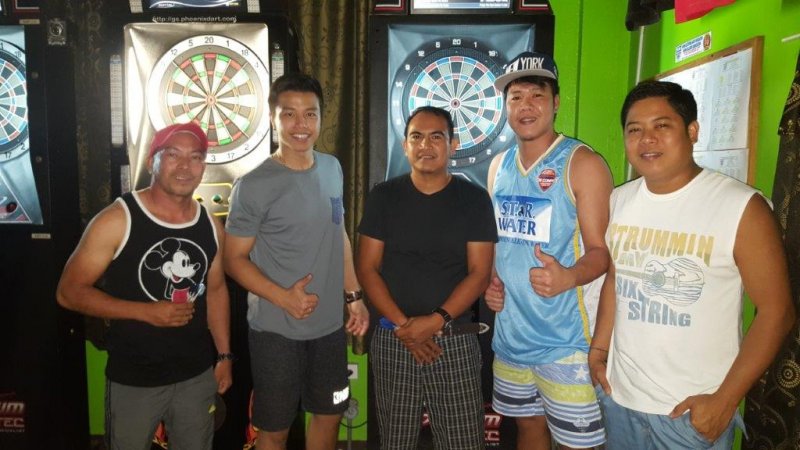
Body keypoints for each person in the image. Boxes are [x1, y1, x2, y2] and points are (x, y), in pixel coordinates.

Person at [589, 80, 796, 448]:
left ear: (692, 130)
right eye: (634, 130)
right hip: (620, 400)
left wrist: (725, 400)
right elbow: (616, 279)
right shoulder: (620, 200)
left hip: (690, 414)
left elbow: (777, 312)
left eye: (661, 125)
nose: (647, 139)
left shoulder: (741, 207)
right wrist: (599, 351)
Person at [56, 122, 232, 450]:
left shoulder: (210, 224)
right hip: (134, 378)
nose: (185, 166)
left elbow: (217, 290)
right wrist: (146, 312)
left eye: (195, 157)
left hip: (195, 375)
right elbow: (69, 292)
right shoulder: (117, 219)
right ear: (153, 161)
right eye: (173, 155)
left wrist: (224, 355)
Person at [223, 73, 369, 450]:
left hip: (328, 328)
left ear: (321, 118)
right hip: (276, 331)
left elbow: (338, 234)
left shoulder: (332, 168)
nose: (300, 124)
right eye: (289, 114)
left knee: (329, 415)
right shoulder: (252, 185)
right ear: (273, 118)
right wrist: (283, 297)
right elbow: (233, 259)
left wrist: (354, 295)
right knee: (275, 430)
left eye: (310, 114)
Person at [483, 51, 613, 449]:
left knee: (578, 445)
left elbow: (601, 253)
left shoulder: (583, 163)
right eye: (516, 97)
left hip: (566, 343)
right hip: (510, 338)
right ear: (506, 106)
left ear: (556, 102)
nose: (526, 106)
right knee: (528, 430)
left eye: (536, 95)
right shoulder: (498, 166)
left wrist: (568, 277)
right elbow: (501, 242)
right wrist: (492, 281)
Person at [356, 106, 498, 449]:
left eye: (436, 137)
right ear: (405, 145)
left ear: (452, 144)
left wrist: (434, 322)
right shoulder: (384, 197)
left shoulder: (473, 199)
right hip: (395, 337)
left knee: (463, 442)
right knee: (396, 441)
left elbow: (479, 273)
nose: (425, 145)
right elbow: (367, 268)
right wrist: (407, 328)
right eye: (416, 137)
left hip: (453, 338)